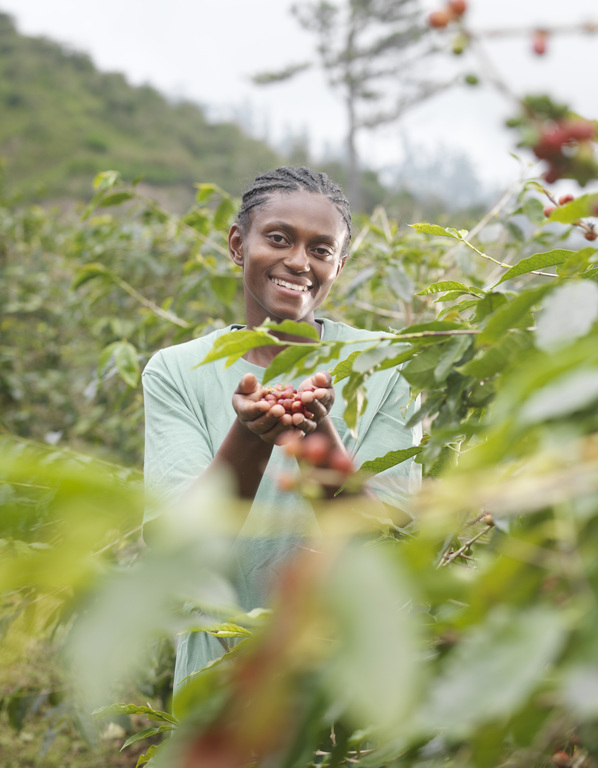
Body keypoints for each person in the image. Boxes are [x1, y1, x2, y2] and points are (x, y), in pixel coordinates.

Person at [141, 166, 421, 696]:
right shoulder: (175, 371)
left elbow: (387, 540)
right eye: (278, 239)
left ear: (340, 264)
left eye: (321, 249)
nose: (298, 262)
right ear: (237, 244)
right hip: (221, 673)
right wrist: (250, 435)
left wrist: (317, 438)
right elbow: (181, 544)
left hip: (351, 676)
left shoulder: (388, 364)